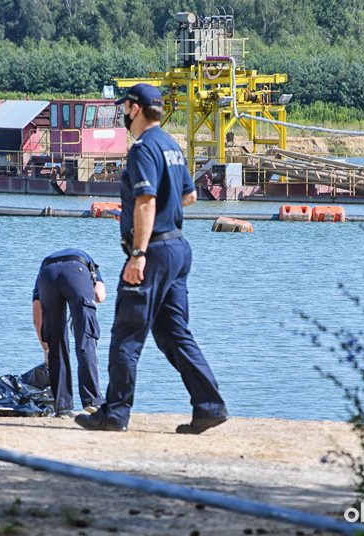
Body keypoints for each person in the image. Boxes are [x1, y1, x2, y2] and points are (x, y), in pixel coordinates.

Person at [75, 83, 228, 434]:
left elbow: (146, 201)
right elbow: (189, 196)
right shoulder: (172, 146)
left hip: (153, 252)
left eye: (124, 108)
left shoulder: (143, 149)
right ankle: (209, 406)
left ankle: (114, 414)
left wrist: (139, 253)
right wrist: (162, 216)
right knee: (174, 334)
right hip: (177, 248)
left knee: (127, 335)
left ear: (134, 108)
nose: (123, 115)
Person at [33, 249, 106, 416]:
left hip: (48, 275)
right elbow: (100, 296)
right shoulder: (90, 263)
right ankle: (92, 401)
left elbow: (37, 318)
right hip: (77, 271)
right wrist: (81, 303)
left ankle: (63, 407)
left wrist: (47, 346)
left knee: (56, 344)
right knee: (85, 340)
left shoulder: (43, 269)